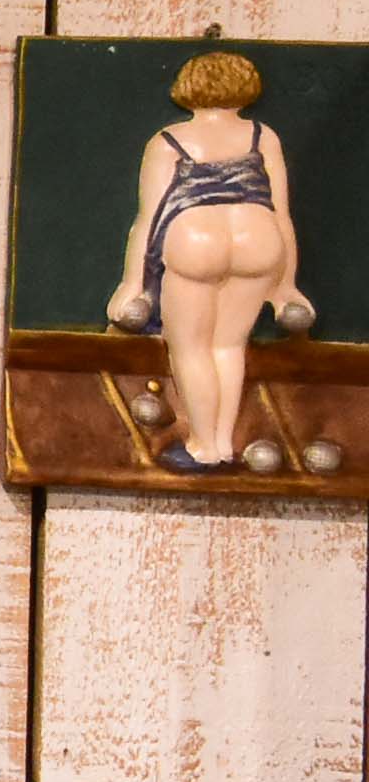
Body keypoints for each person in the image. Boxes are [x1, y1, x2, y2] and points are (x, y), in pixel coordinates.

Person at [110, 47, 314, 470]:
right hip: (258, 238)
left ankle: (203, 447)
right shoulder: (263, 136)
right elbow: (282, 212)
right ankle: (224, 443)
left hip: (196, 239)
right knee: (228, 345)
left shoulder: (169, 141)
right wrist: (288, 282)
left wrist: (132, 284)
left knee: (190, 348)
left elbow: (148, 218)